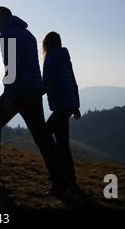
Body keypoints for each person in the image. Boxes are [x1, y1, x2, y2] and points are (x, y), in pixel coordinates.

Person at [0, 7, 63, 191]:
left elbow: (12, 66)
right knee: (42, 137)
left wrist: (9, 94)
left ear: (3, 18)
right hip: (34, 92)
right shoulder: (26, 34)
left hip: (20, 91)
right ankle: (60, 180)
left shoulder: (8, 34)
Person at [42, 31, 81, 189]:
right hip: (68, 105)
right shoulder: (65, 59)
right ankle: (62, 174)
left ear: (47, 43)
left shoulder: (51, 58)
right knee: (52, 137)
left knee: (59, 142)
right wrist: (76, 106)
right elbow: (74, 82)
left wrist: (32, 91)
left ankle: (67, 178)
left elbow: (46, 83)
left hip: (60, 106)